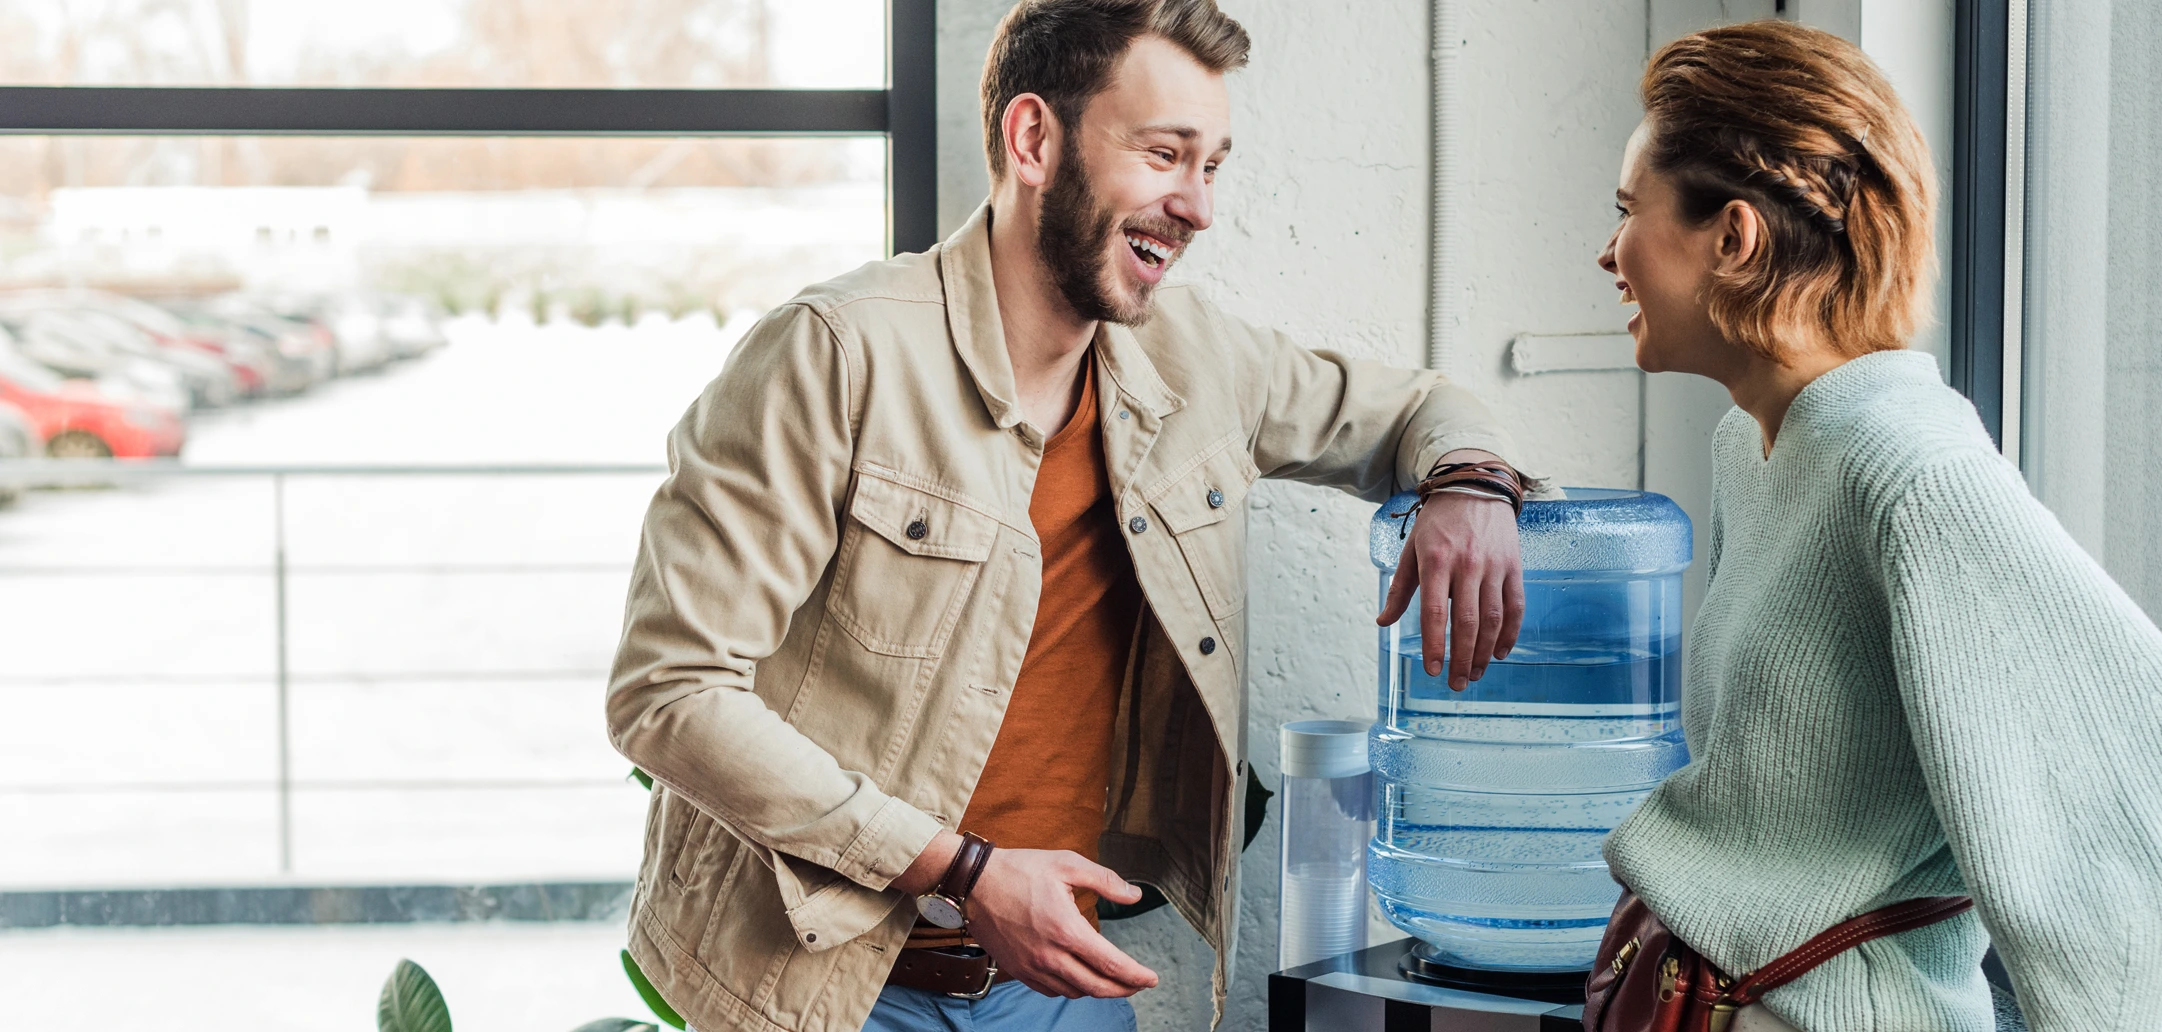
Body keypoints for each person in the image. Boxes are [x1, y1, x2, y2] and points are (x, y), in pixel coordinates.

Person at [603, 2, 1541, 1030]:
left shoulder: (1199, 361)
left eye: (1212, 166)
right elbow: (669, 691)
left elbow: (1414, 407)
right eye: (1162, 155)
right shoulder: (833, 354)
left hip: (1056, 997)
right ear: (1032, 139)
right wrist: (962, 870)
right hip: (827, 990)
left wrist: (1469, 484)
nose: (1196, 208)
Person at [1595, 20, 2162, 1032]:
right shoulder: (1754, 446)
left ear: (1732, 237)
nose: (1608, 251)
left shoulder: (1911, 472)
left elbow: (2127, 771)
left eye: (1628, 211)